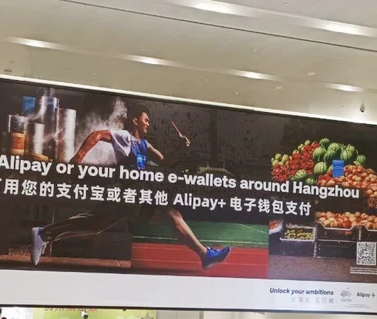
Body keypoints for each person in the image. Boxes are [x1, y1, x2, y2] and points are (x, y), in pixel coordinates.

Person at [30, 103, 231, 270]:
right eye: (146, 120)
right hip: (126, 194)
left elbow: (165, 161)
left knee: (172, 214)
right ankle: (44, 233)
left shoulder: (144, 144)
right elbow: (97, 135)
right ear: (135, 120)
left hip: (139, 195)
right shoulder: (125, 138)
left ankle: (204, 255)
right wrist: (79, 157)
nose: (149, 124)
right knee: (96, 224)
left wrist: (179, 148)